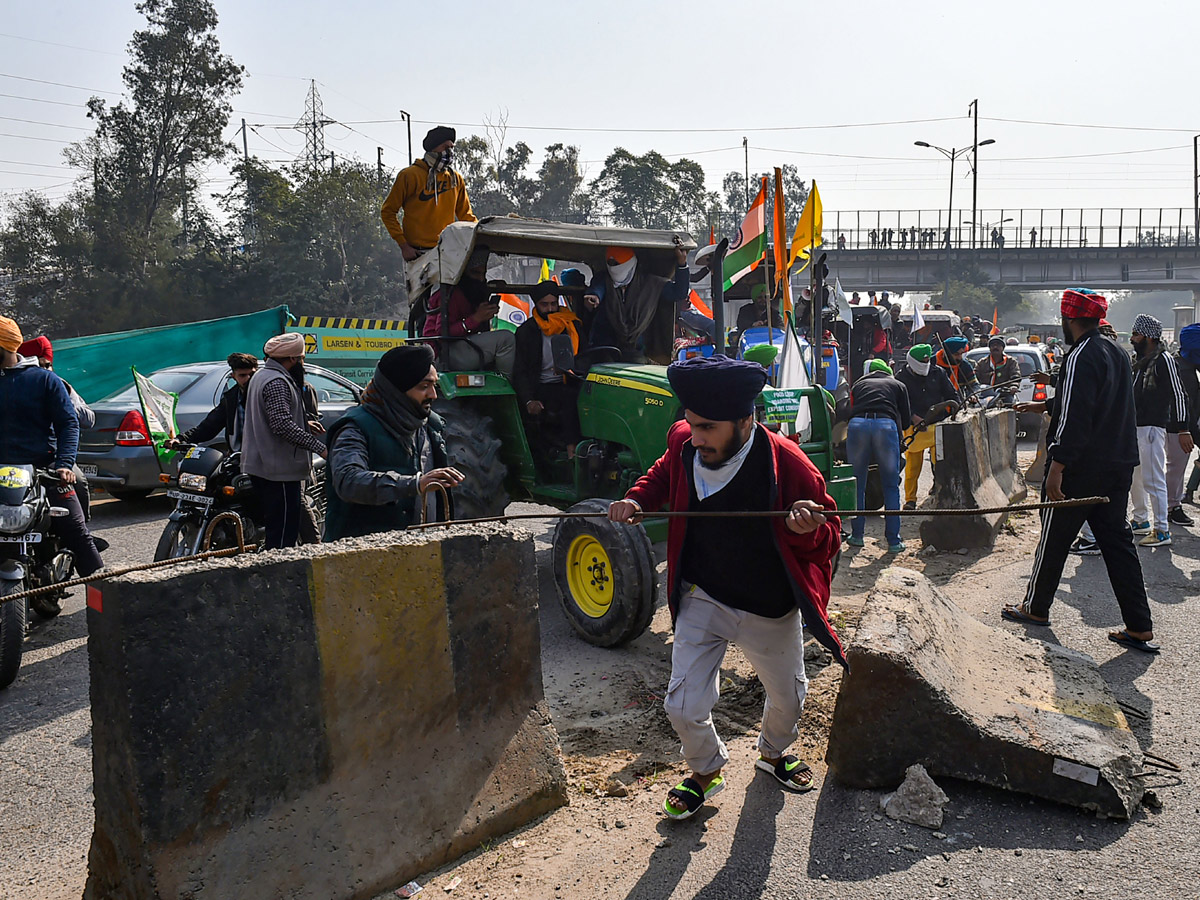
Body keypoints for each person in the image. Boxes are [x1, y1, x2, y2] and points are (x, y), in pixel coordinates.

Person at [607, 356, 842, 819]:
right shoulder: (684, 441)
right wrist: (636, 498)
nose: (696, 438)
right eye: (692, 425)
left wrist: (805, 529)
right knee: (682, 706)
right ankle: (705, 770)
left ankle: (774, 753)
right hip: (703, 595)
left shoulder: (787, 463)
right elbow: (662, 472)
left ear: (745, 420)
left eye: (708, 428)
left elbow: (831, 535)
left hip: (768, 606)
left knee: (790, 698)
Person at [1003, 289, 1158, 654]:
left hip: (1081, 467)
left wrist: (1057, 465)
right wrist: (1046, 406)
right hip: (1118, 464)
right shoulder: (1117, 353)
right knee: (1119, 545)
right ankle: (1140, 626)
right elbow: (1101, 402)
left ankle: (1035, 608)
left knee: (1054, 537)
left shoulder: (1079, 355)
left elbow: (1076, 416)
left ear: (1069, 319)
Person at [324, 345, 462, 541]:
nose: (433, 395)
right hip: (365, 557)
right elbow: (349, 480)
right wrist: (413, 484)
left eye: (434, 386)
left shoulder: (429, 426)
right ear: (396, 389)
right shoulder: (355, 428)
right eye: (424, 386)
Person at [0, 317, 103, 576]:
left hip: (43, 472)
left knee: (77, 532)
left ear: (4, 348)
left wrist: (64, 465)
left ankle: (109, 598)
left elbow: (69, 424)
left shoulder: (45, 380)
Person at [241, 333, 328, 550]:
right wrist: (320, 448)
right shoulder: (277, 381)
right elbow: (281, 425)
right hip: (277, 469)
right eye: (301, 359)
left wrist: (303, 422)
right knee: (283, 536)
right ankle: (279, 576)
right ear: (292, 359)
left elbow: (272, 416)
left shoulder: (261, 376)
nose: (302, 364)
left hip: (264, 465)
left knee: (278, 528)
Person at [1127, 314, 1189, 548]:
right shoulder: (1140, 362)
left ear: (1149, 337)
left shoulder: (1164, 360)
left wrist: (1183, 428)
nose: (1133, 339)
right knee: (1135, 478)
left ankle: (1162, 529)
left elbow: (1179, 394)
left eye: (1136, 334)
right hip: (1136, 428)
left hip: (1152, 428)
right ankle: (1141, 521)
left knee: (1154, 480)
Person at [513, 281, 584, 463]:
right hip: (540, 387)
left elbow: (584, 356)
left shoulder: (571, 325)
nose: (550, 309)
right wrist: (529, 400)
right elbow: (520, 370)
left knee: (574, 399)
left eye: (554, 304)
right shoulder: (526, 332)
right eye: (545, 304)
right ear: (536, 304)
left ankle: (575, 455)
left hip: (568, 382)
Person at [380, 126, 476, 262]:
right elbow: (388, 212)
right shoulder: (409, 175)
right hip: (417, 253)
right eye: (445, 147)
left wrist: (480, 236)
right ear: (433, 148)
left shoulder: (455, 179)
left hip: (448, 251)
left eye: (452, 147)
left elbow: (466, 216)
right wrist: (403, 245)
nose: (449, 152)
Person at [584, 243, 690, 363]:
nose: (614, 268)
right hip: (604, 348)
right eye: (611, 264)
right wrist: (593, 296)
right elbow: (597, 289)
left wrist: (682, 263)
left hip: (637, 350)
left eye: (617, 264)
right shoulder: (604, 279)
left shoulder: (650, 283)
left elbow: (678, 293)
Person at [845, 358, 910, 551]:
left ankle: (857, 536)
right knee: (890, 485)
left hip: (857, 425)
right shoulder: (898, 384)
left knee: (858, 483)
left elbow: (851, 407)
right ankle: (894, 541)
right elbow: (905, 420)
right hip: (885, 426)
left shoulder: (858, 384)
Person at [422, 246, 516, 376]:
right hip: (443, 353)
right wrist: (475, 319)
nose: (481, 279)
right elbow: (442, 332)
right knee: (506, 338)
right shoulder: (451, 294)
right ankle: (509, 386)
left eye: (483, 274)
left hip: (464, 347)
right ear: (462, 274)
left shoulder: (472, 294)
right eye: (475, 273)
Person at [896, 344, 957, 510]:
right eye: (921, 362)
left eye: (926, 361)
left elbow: (952, 395)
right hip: (914, 429)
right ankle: (910, 500)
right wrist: (912, 417)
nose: (925, 365)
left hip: (938, 424)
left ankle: (941, 492)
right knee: (913, 467)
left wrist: (951, 409)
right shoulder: (901, 378)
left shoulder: (938, 373)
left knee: (941, 463)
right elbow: (898, 403)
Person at [168, 353, 259, 452]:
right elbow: (209, 426)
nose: (248, 379)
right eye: (242, 375)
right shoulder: (231, 399)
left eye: (252, 374)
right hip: (243, 455)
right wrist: (182, 439)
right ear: (233, 376)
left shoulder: (265, 394)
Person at [935, 335, 979, 400]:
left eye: (961, 354)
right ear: (946, 353)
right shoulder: (933, 364)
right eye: (956, 354)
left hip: (958, 404)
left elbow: (974, 385)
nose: (959, 357)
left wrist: (973, 395)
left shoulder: (965, 366)